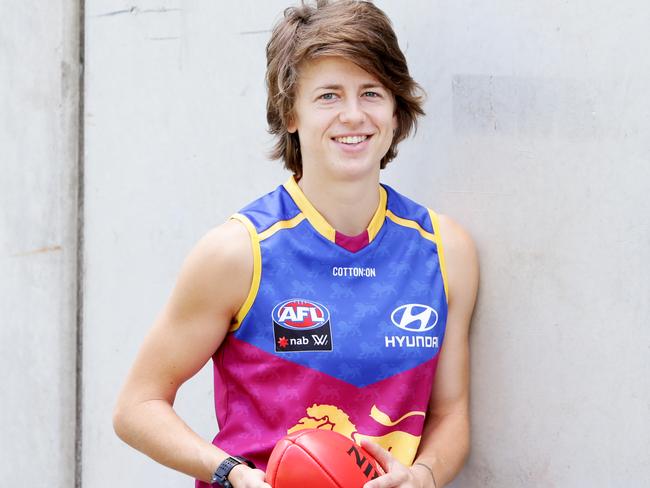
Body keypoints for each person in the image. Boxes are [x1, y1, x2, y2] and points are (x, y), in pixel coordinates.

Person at [113, 1, 479, 487]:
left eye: (371, 92)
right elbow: (137, 406)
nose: (353, 115)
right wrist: (230, 472)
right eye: (328, 96)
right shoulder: (238, 252)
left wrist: (424, 476)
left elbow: (451, 414)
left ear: (395, 110)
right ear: (290, 113)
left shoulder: (444, 248)